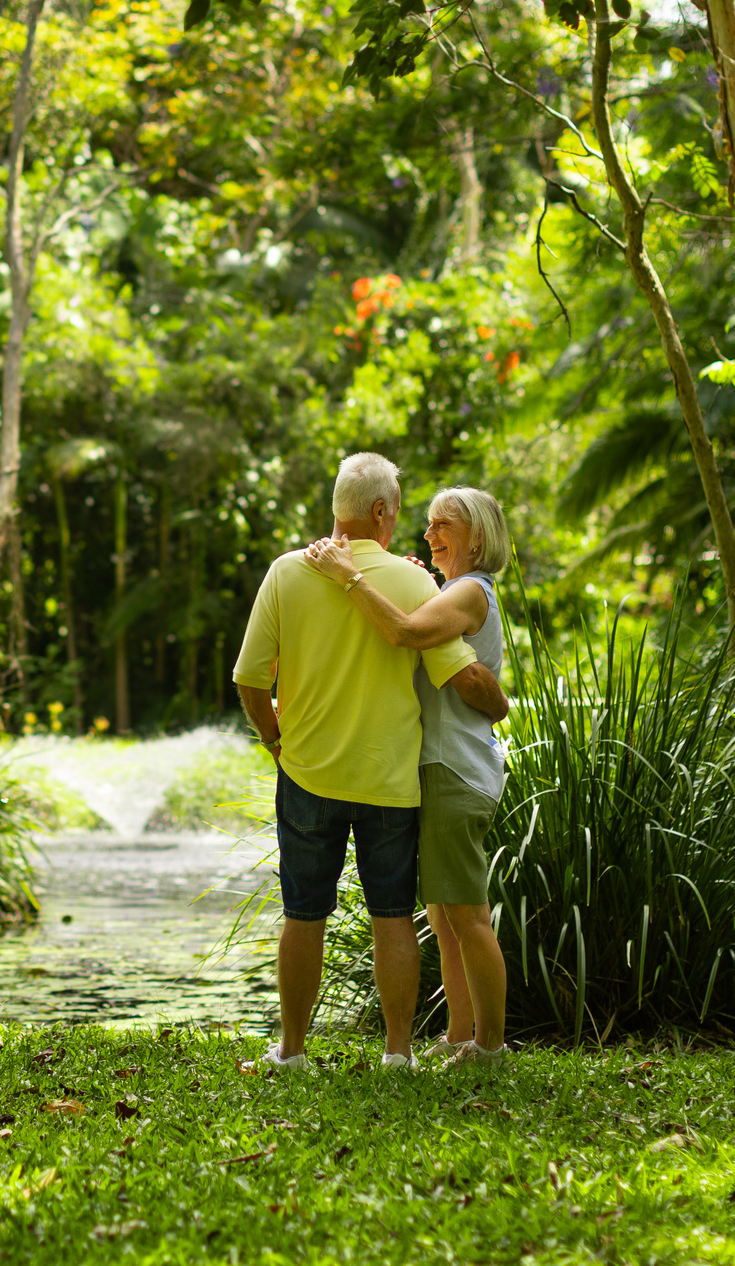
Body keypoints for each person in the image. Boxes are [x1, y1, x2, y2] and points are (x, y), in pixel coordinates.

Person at [233, 452, 509, 1071]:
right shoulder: (418, 585)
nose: (418, 530)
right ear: (381, 511)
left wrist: (277, 742)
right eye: (409, 514)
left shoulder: (285, 572)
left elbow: (250, 679)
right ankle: (398, 1053)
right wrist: (499, 702)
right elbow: (456, 673)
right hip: (391, 781)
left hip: (308, 772)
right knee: (394, 918)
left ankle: (294, 1050)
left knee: (303, 914)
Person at [305, 486, 513, 1068]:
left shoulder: (471, 591)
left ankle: (491, 1047)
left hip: (455, 766)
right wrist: (413, 579)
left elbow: (403, 632)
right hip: (442, 766)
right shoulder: (451, 589)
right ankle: (458, 1035)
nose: (428, 534)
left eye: (442, 524)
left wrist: (350, 576)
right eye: (425, 525)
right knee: (446, 915)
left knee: (468, 916)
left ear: (476, 535)